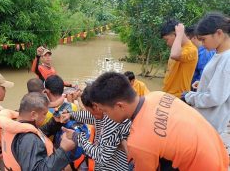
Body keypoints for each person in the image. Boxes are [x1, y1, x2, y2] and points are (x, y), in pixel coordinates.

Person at [90, 72, 229, 170]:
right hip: (219, 155)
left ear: (120, 105)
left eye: (105, 111)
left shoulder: (139, 142)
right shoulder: (157, 95)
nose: (106, 116)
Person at [184, 13, 230, 153]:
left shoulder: (227, 59)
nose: (202, 44)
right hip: (206, 120)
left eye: (204, 39)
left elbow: (215, 97)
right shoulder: (219, 54)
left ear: (219, 33)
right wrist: (202, 83)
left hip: (212, 123)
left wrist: (189, 96)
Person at [0, 92, 76, 171]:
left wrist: (56, 122)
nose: (45, 117)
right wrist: (63, 150)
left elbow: (40, 133)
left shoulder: (13, 124)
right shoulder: (29, 139)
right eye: (44, 114)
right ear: (34, 115)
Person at [62, 85, 130, 171]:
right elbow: (89, 116)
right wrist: (70, 115)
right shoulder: (105, 109)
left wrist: (77, 136)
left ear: (96, 106)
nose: (92, 115)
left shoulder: (113, 120)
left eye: (91, 111)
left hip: (114, 167)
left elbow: (101, 156)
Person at [161, 19, 198, 98]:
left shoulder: (191, 50)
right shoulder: (178, 48)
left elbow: (174, 55)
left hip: (179, 97)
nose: (167, 43)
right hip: (168, 95)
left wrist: (179, 34)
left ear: (175, 34)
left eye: (167, 39)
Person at [185, 25, 215, 89]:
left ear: (195, 37)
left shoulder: (204, 53)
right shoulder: (202, 51)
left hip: (198, 88)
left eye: (188, 40)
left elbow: (204, 75)